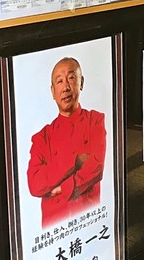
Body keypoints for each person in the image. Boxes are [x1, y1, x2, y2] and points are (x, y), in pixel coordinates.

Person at [27, 57, 106, 228]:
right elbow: (34, 184)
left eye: (71, 78)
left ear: (81, 83)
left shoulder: (95, 120)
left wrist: (62, 188)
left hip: (88, 219)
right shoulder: (42, 137)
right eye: (59, 81)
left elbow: (97, 165)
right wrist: (75, 161)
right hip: (55, 226)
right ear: (53, 91)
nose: (65, 87)